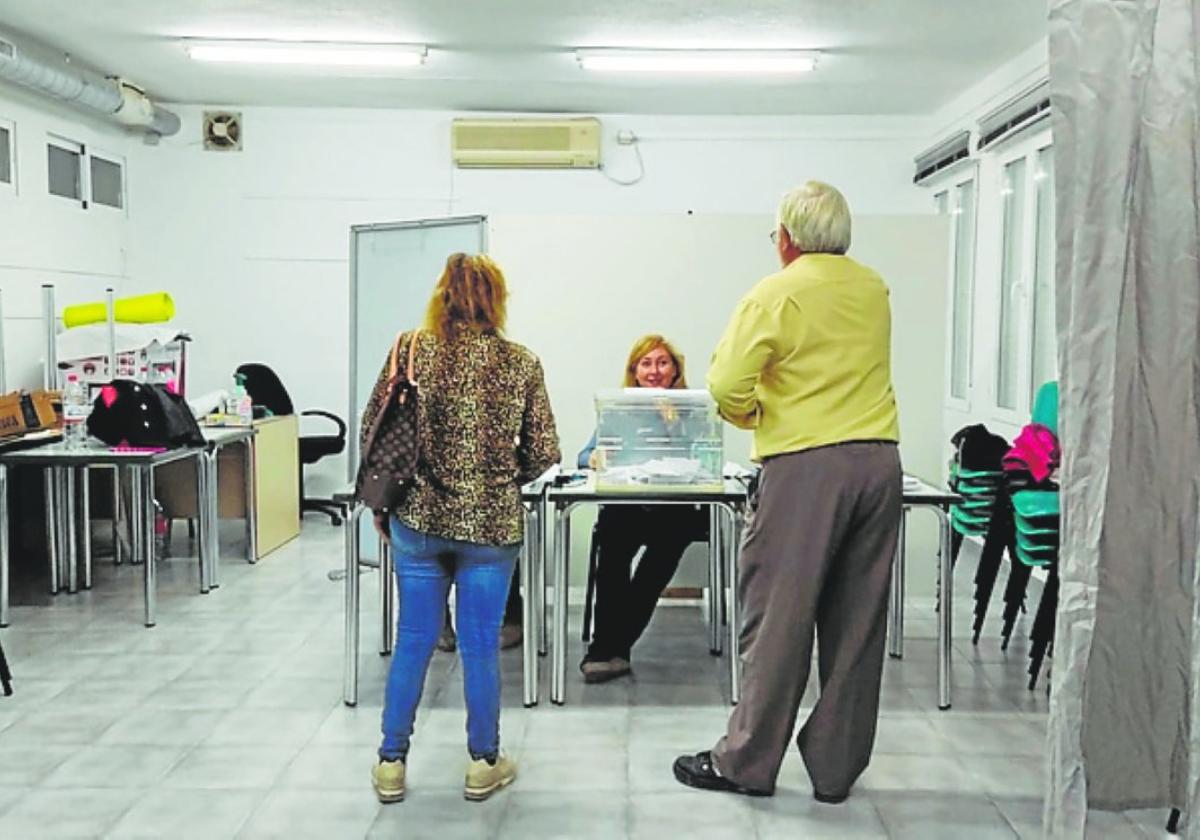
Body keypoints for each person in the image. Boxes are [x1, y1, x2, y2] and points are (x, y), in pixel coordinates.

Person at [673, 181, 902, 803]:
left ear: (787, 238)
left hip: (807, 466)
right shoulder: (873, 288)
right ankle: (835, 769)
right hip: (880, 463)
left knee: (778, 617)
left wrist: (757, 418)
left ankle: (745, 761)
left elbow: (725, 386)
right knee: (858, 623)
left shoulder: (777, 292)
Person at [365, 253, 561, 804]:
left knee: (414, 640)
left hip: (419, 520)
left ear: (441, 295)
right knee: (480, 645)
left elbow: (371, 428)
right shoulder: (520, 362)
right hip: (491, 526)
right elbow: (545, 450)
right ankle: (483, 762)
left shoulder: (410, 350)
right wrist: (500, 477)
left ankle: (390, 763)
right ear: (497, 298)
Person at [577, 334, 709, 683]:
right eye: (646, 363)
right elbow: (583, 456)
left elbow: (706, 455)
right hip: (628, 504)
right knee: (613, 555)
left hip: (675, 508)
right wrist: (594, 457)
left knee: (654, 569)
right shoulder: (619, 409)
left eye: (662, 362)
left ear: (675, 370)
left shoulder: (693, 408)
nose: (654, 371)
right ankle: (609, 650)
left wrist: (675, 423)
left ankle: (608, 649)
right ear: (634, 371)